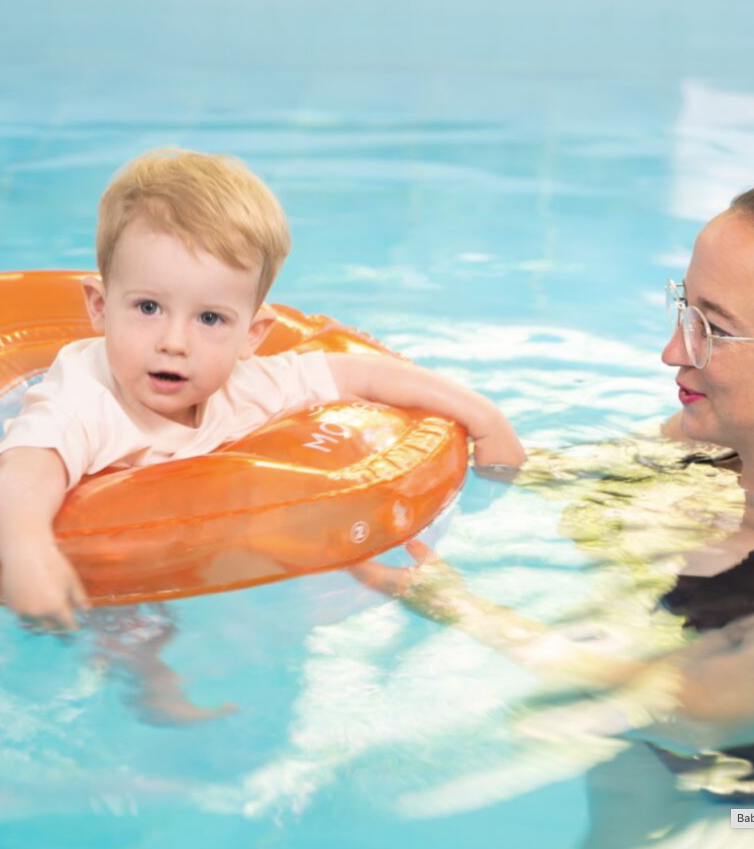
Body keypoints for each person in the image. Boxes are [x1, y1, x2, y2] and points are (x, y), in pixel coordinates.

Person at [351, 162, 754, 836]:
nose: (671, 350)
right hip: (652, 750)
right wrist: (427, 415)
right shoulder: (713, 434)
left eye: (715, 329)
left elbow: (701, 705)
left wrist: (459, 606)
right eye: (685, 308)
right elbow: (534, 476)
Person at [0, 148, 525, 633]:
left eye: (210, 318)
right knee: (130, 644)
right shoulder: (85, 398)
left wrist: (486, 419)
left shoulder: (248, 384)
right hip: (114, 570)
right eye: (147, 308)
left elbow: (360, 375)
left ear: (251, 336)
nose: (174, 342)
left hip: (205, 551)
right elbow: (27, 467)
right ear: (98, 306)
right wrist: (25, 549)